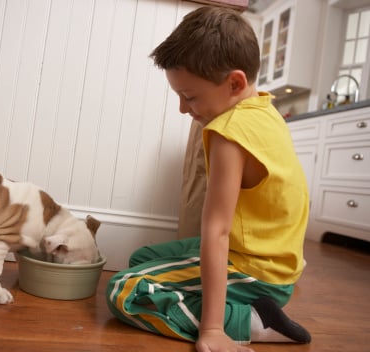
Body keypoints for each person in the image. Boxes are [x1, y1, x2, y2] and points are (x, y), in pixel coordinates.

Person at [105, 5, 312, 352]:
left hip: (254, 270)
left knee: (124, 289)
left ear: (235, 82)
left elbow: (215, 232)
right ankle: (252, 308)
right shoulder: (264, 109)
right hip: (273, 266)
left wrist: (213, 329)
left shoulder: (229, 132)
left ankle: (251, 321)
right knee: (142, 258)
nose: (184, 109)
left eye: (189, 96)